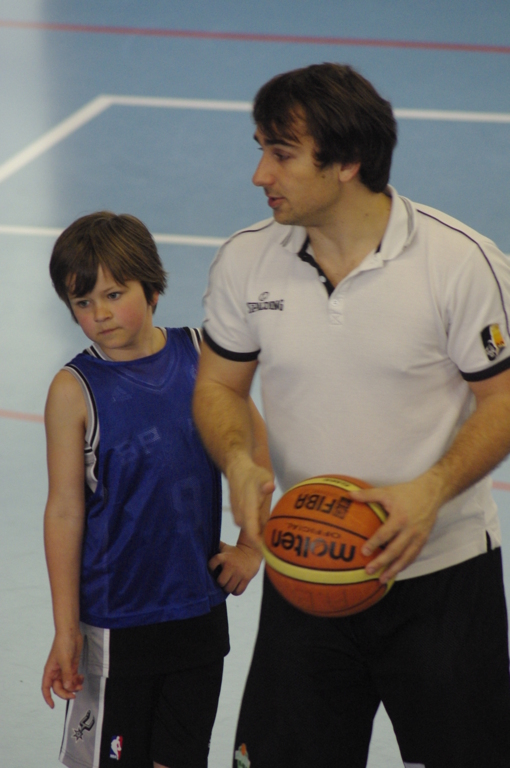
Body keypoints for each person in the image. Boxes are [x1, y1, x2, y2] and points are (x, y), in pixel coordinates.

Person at [192, 63, 510, 768]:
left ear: (347, 161)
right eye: (262, 149)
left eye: (282, 154)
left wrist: (429, 490)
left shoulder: (459, 263)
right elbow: (219, 386)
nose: (259, 174)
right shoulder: (246, 260)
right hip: (307, 568)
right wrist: (238, 460)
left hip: (442, 578)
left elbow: (504, 398)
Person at [41, 212, 267, 768]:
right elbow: (65, 511)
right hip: (116, 623)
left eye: (114, 294)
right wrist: (66, 630)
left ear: (154, 288)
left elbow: (255, 450)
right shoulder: (73, 390)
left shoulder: (204, 357)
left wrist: (251, 546)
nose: (99, 313)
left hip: (198, 614)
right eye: (83, 302)